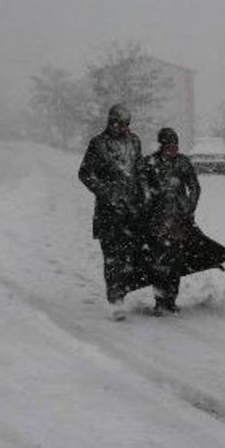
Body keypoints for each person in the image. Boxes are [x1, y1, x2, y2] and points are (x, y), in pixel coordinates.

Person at [78, 104, 144, 320]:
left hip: (132, 210)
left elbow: (140, 170)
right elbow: (85, 173)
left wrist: (144, 192)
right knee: (112, 257)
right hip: (108, 211)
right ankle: (115, 301)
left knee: (130, 256)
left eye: (125, 124)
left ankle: (123, 291)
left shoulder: (135, 142)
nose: (121, 128)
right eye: (117, 123)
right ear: (109, 122)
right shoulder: (98, 144)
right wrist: (105, 192)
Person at [141, 127, 201, 315]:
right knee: (158, 262)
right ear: (161, 146)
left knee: (175, 262)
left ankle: (171, 299)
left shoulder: (183, 163)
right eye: (168, 146)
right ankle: (159, 300)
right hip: (156, 221)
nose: (172, 149)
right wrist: (149, 199)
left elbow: (194, 187)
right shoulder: (150, 163)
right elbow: (141, 187)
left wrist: (189, 207)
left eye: (175, 145)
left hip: (178, 222)